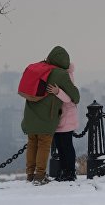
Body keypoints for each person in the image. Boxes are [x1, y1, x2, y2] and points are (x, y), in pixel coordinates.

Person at [21, 46, 79, 186]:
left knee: (32, 144)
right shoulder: (60, 74)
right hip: (47, 118)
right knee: (44, 145)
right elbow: (75, 96)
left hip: (30, 115)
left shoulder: (38, 69)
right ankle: (40, 176)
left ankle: (30, 175)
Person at [47, 62, 80, 182]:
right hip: (59, 117)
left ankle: (70, 172)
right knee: (60, 147)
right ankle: (64, 171)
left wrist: (57, 92)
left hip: (67, 117)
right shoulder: (59, 74)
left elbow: (69, 98)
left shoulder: (67, 75)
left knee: (66, 146)